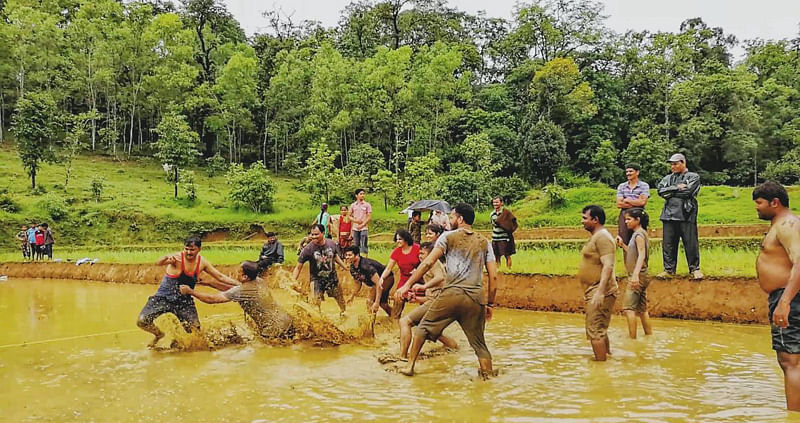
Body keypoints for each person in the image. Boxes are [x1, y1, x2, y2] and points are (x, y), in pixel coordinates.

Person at [399, 204, 498, 379]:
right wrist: (489, 304)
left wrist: (407, 285)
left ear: (460, 219)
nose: (450, 220)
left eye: (452, 217)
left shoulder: (448, 236)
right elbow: (494, 277)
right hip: (475, 297)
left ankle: (409, 366)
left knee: (422, 329)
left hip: (451, 293)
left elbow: (428, 263)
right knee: (480, 345)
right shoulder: (485, 242)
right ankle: (488, 375)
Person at [136, 236, 240, 348]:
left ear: (199, 249)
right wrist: (166, 257)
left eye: (192, 250)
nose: (189, 252)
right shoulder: (177, 258)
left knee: (196, 332)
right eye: (186, 249)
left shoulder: (202, 263)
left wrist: (240, 285)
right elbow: (158, 263)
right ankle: (159, 334)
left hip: (184, 301)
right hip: (163, 297)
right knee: (142, 321)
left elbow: (220, 277)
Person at [753, 181, 800, 411]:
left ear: (775, 202)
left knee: (789, 361)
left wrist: (785, 302)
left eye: (759, 203)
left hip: (789, 297)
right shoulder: (784, 224)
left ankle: (793, 416)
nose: (757, 208)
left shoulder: (787, 225)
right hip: (789, 297)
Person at [179, 261, 294, 339]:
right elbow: (235, 288)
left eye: (238, 272)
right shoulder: (259, 281)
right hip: (286, 320)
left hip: (273, 329)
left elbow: (212, 299)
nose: (235, 273)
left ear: (245, 277)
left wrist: (191, 292)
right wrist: (210, 283)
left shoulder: (241, 291)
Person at [395, 242, 458, 359]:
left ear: (431, 254)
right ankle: (453, 346)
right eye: (419, 253)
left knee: (404, 321)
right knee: (429, 330)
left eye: (422, 253)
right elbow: (433, 294)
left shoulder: (432, 263)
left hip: (438, 302)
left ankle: (402, 357)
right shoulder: (430, 264)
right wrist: (417, 299)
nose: (419, 256)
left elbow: (440, 277)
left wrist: (423, 286)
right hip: (438, 301)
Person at [578, 205, 618, 361]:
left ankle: (601, 370)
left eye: (585, 218)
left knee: (595, 331)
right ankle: (607, 359)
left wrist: (600, 291)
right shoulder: (597, 236)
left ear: (595, 220)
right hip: (593, 290)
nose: (582, 222)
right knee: (600, 330)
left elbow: (608, 265)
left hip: (600, 290)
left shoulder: (602, 237)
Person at [657, 153, 703, 280]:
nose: (673, 166)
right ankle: (669, 269)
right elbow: (661, 191)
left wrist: (670, 191)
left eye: (675, 163)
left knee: (690, 242)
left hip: (686, 213)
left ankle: (695, 268)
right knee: (668, 243)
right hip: (668, 214)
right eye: (671, 164)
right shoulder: (667, 178)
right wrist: (677, 187)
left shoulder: (693, 177)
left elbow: (689, 192)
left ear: (683, 163)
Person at [292, 224, 348, 315]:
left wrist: (344, 266)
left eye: (316, 234)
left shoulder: (331, 243)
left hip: (331, 278)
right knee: (315, 301)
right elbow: (298, 267)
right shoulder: (308, 249)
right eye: (312, 234)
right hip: (316, 279)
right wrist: (292, 280)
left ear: (323, 233)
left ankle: (344, 314)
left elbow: (335, 256)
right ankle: (318, 320)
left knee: (340, 299)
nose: (314, 237)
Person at [615, 208, 652, 339]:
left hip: (638, 275)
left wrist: (635, 275)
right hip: (642, 274)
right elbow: (634, 252)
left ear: (638, 220)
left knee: (628, 308)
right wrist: (623, 246)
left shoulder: (638, 235)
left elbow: (641, 255)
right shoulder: (640, 234)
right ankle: (648, 336)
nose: (626, 222)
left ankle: (632, 339)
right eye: (625, 219)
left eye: (629, 219)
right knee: (642, 310)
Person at [378, 229, 420, 319]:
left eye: (400, 239)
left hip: (419, 279)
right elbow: (389, 268)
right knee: (398, 297)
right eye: (397, 239)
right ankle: (395, 320)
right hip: (404, 279)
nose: (398, 241)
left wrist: (417, 270)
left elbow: (425, 262)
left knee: (423, 299)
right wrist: (382, 278)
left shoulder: (416, 248)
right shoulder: (396, 252)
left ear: (406, 239)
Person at [343, 246, 394, 317]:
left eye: (349, 255)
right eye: (346, 255)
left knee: (371, 302)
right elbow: (358, 283)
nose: (347, 257)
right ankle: (394, 317)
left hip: (386, 278)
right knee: (382, 304)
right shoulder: (352, 268)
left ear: (357, 255)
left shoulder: (366, 266)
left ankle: (370, 324)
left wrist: (376, 302)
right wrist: (352, 296)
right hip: (376, 283)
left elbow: (378, 284)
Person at [615, 163, 650, 255]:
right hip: (624, 214)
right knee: (624, 239)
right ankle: (629, 265)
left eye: (631, 171)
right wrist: (635, 202)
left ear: (637, 172)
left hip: (639, 215)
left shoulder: (644, 186)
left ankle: (642, 265)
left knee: (640, 238)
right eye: (626, 171)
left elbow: (643, 202)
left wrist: (628, 200)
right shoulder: (621, 186)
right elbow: (619, 204)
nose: (628, 173)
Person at [490, 196, 518, 269]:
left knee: (507, 255)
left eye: (497, 202)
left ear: (501, 203)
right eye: (494, 202)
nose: (495, 204)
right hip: (495, 238)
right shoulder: (492, 214)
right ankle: (498, 270)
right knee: (496, 256)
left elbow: (512, 224)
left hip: (505, 238)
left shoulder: (506, 213)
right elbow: (492, 225)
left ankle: (509, 270)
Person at [349, 189, 372, 256]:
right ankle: (357, 259)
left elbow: (369, 217)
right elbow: (349, 216)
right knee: (356, 245)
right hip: (355, 228)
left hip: (364, 228)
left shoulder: (367, 205)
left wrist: (362, 224)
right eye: (361, 194)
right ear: (356, 195)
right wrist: (356, 221)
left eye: (363, 194)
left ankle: (365, 259)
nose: (362, 195)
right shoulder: (353, 205)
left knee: (364, 244)